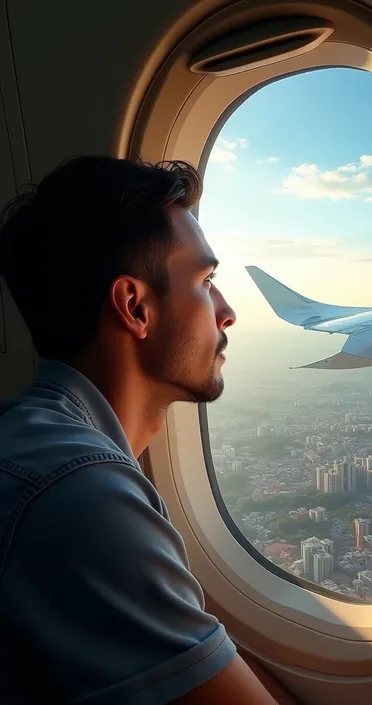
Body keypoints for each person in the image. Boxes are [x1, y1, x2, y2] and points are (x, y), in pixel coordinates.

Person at [0, 157, 286, 704]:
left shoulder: (35, 442)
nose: (226, 313)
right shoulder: (80, 494)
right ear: (135, 307)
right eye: (205, 282)